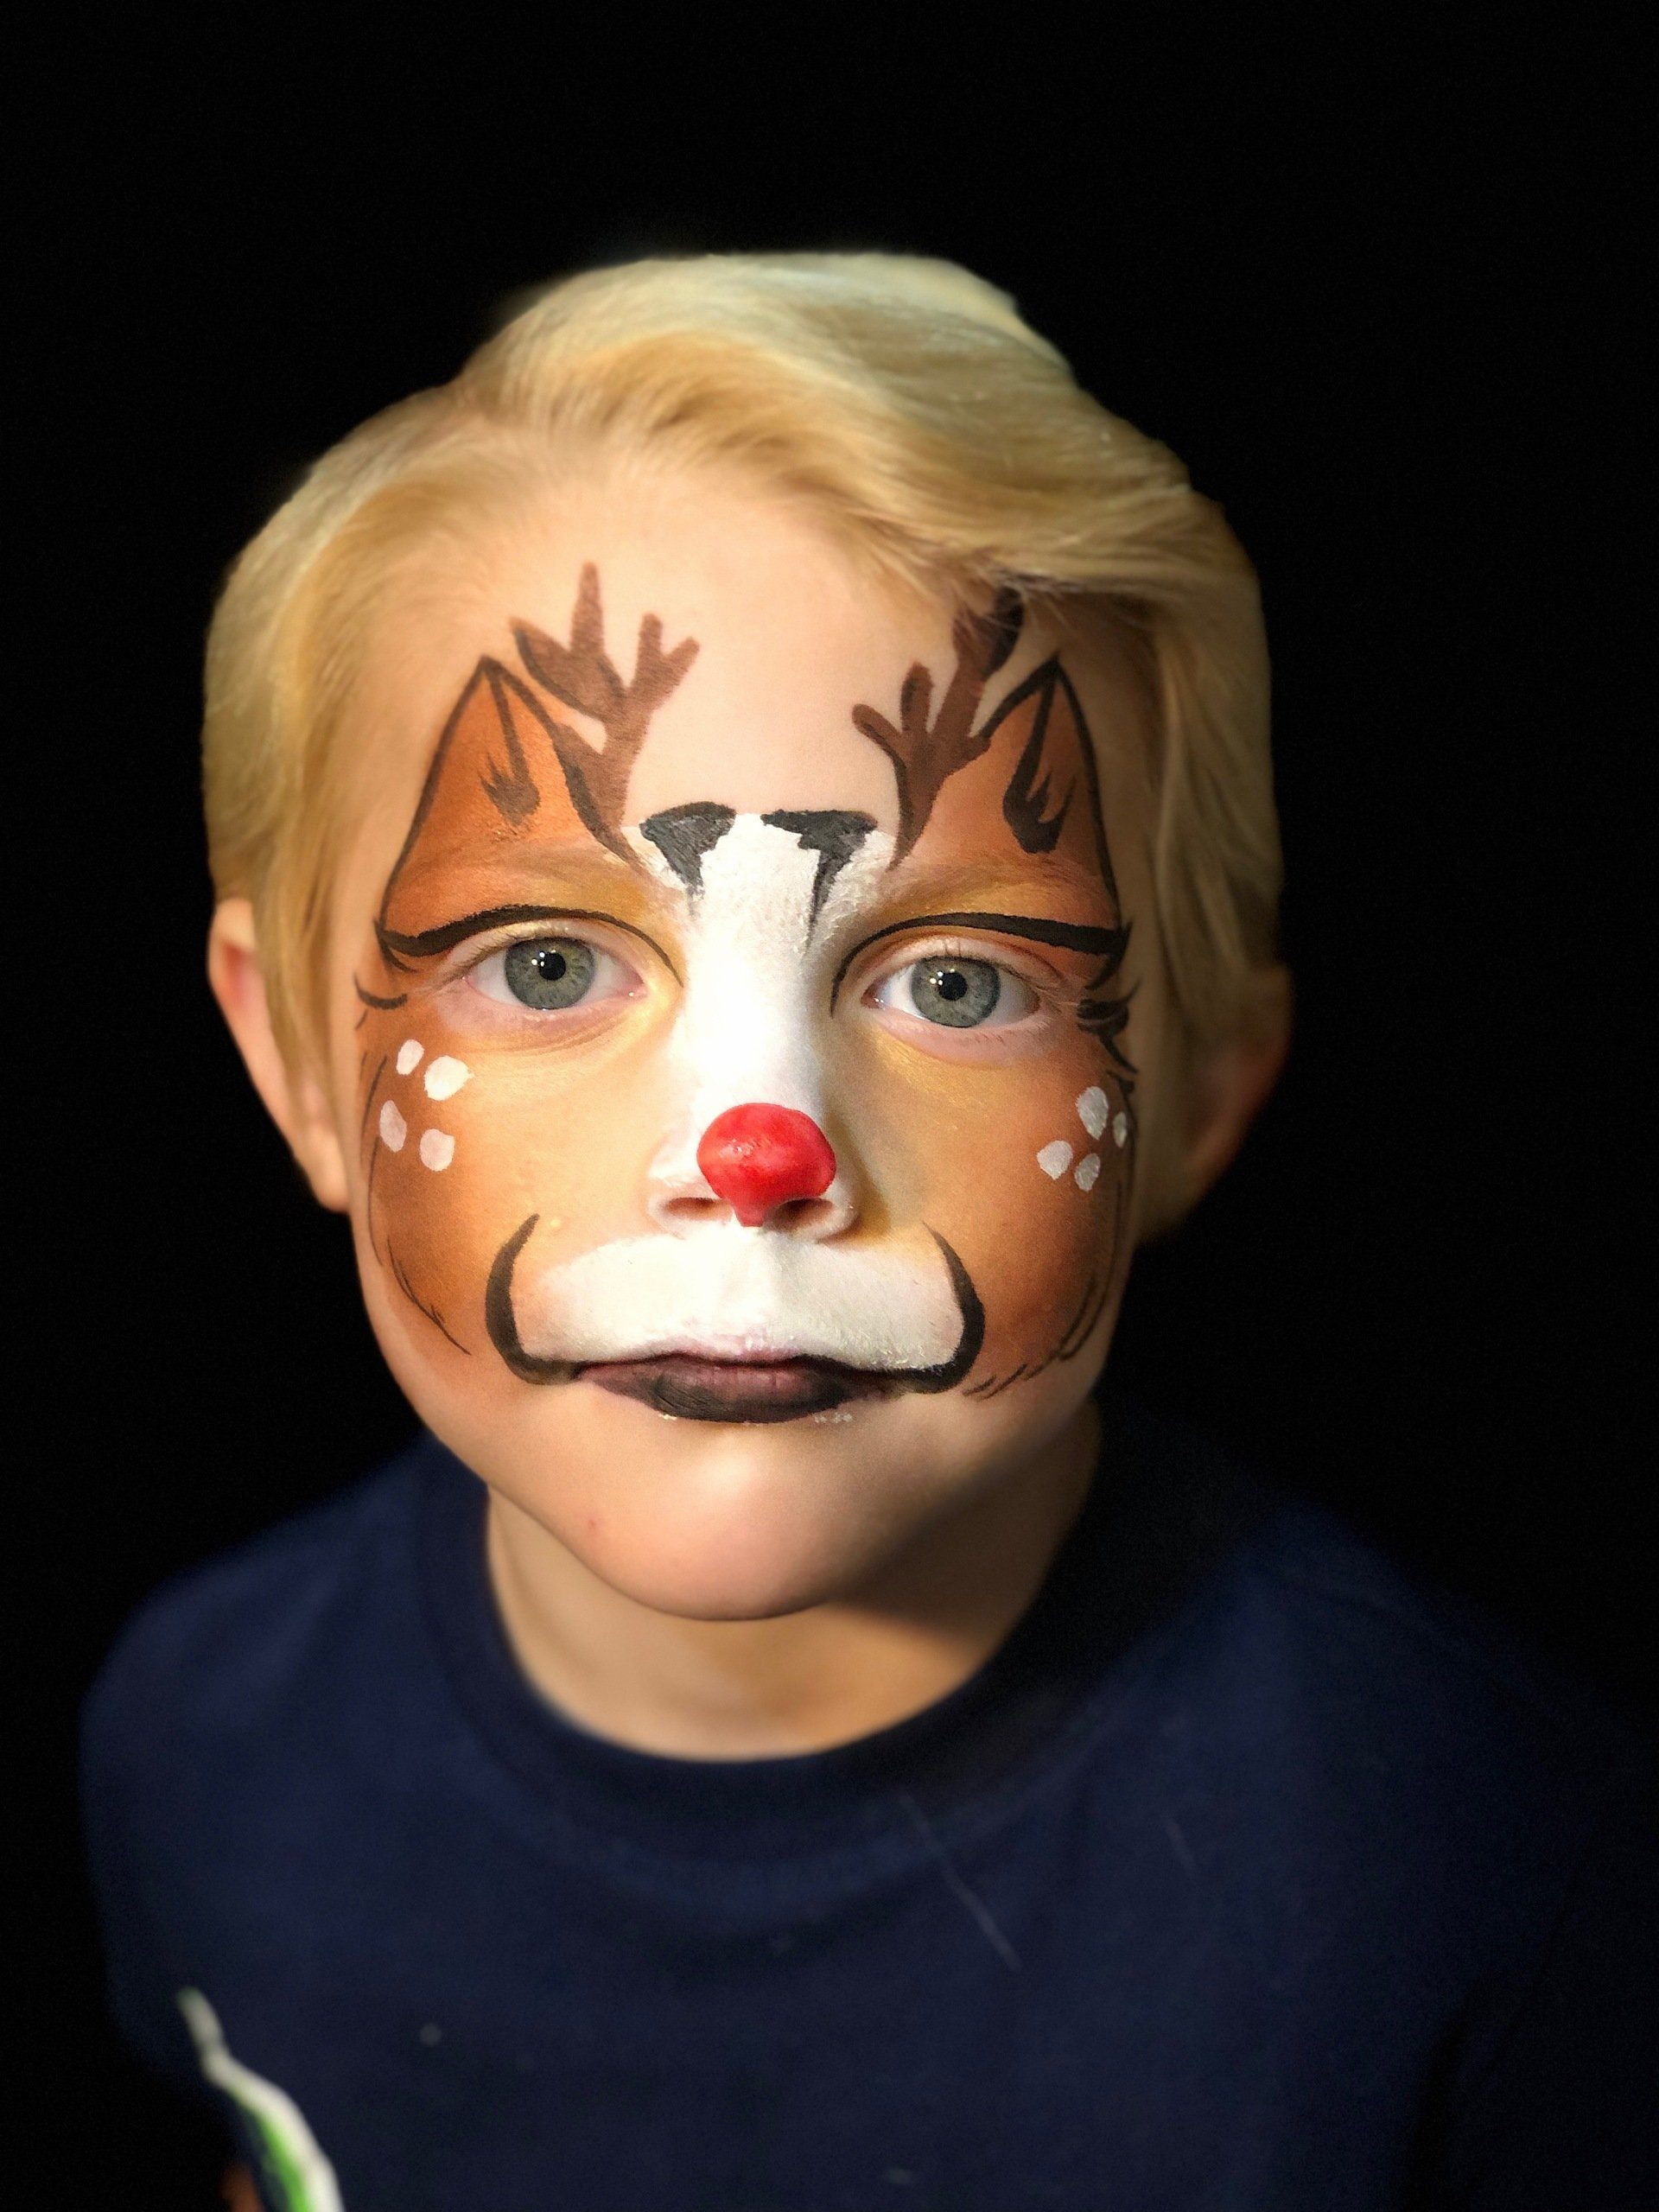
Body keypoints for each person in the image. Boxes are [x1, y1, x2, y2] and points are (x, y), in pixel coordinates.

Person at [79, 251, 1655, 2210]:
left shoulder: (1486, 1870)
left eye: (963, 983)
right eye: (550, 960)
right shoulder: (200, 1733)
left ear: (1208, 1092)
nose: (757, 1152)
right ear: (300, 1063)